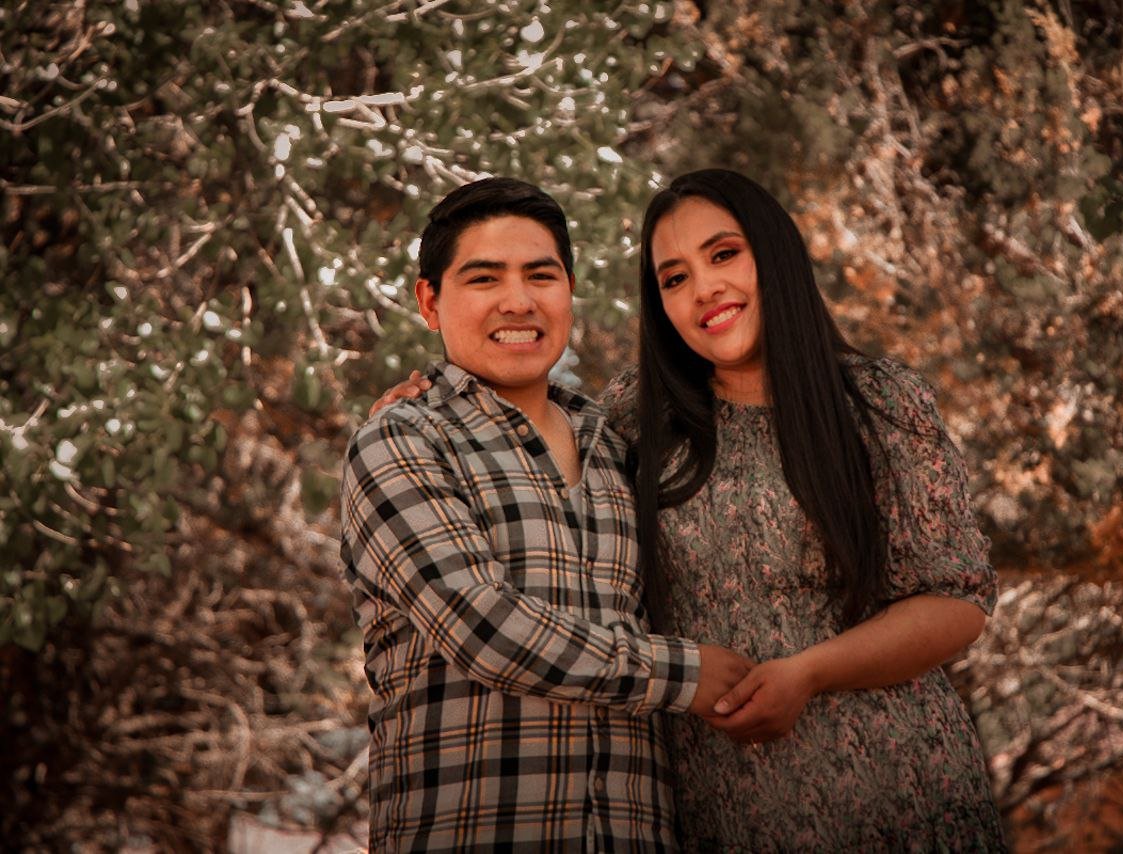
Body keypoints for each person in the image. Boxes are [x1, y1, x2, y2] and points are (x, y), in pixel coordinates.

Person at [374, 170, 1005, 849]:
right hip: (723, 808)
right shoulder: (636, 420)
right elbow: (508, 437)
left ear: (775, 254)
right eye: (674, 278)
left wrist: (808, 673)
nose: (704, 289)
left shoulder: (877, 403)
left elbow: (957, 599)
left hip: (903, 786)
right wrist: (416, 403)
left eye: (724, 254)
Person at [341, 176, 751, 852]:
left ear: (569, 291)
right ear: (429, 302)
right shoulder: (403, 440)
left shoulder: (620, 443)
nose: (519, 300)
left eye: (541, 275)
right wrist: (686, 675)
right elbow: (483, 627)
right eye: (484, 278)